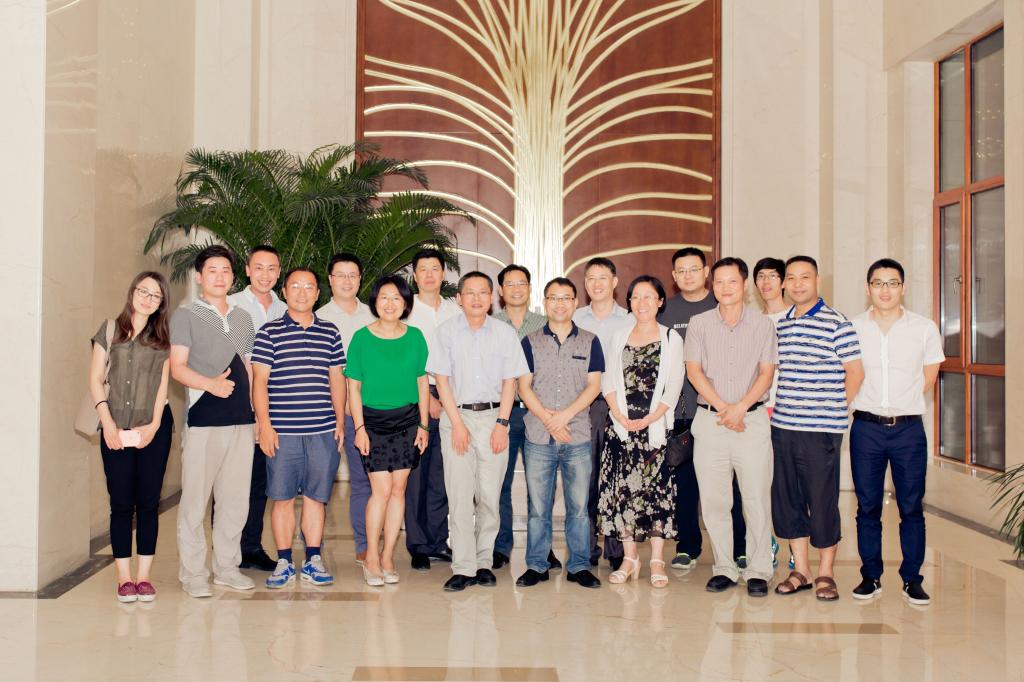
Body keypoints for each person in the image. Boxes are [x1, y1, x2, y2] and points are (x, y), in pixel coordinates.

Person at [427, 271, 530, 591]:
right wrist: (457, 424)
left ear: (491, 297)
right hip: (456, 417)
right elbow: (441, 381)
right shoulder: (445, 332)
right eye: (469, 292)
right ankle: (463, 566)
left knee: (489, 496)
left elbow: (511, 382)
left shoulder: (504, 333)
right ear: (459, 298)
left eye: (482, 292)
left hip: (493, 419)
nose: (476, 298)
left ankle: (484, 561)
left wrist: (502, 424)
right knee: (459, 495)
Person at [850, 258, 943, 605]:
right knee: (868, 506)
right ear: (868, 288)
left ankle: (912, 579)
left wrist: (901, 405)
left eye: (892, 283)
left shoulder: (924, 328)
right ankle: (870, 576)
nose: (885, 290)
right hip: (866, 429)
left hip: (908, 431)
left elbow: (929, 377)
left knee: (911, 506)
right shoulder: (853, 328)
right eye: (878, 283)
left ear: (903, 288)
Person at [772, 255, 864, 601]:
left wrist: (833, 410)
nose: (798, 284)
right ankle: (801, 569)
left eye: (805, 277)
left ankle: (826, 572)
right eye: (791, 278)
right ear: (784, 283)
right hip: (783, 425)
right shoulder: (781, 324)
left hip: (821, 430)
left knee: (822, 500)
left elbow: (855, 373)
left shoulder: (836, 323)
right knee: (788, 499)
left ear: (817, 281)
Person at [684, 258, 777, 597]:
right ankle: (724, 566)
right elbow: (694, 371)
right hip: (711, 421)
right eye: (719, 282)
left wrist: (740, 408)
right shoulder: (699, 323)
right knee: (714, 500)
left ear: (744, 285)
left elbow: (766, 372)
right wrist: (725, 409)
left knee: (755, 499)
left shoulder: (763, 325)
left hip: (751, 421)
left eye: (732, 281)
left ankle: (759, 569)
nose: (725, 288)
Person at [170, 245, 257, 598]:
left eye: (225, 270)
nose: (219, 277)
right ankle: (193, 573)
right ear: (199, 276)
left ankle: (226, 568)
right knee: (195, 501)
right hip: (204, 419)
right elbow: (177, 367)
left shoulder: (243, 317)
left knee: (234, 500)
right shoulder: (186, 316)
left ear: (233, 276)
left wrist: (255, 414)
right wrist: (211, 385)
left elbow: (249, 367)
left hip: (241, 421)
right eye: (212, 271)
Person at [252, 268, 346, 589]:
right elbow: (259, 382)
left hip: (322, 431)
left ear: (318, 294)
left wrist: (339, 421)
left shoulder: (330, 331)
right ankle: (283, 562)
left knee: (316, 498)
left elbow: (337, 379)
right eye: (295, 286)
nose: (302, 292)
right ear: (285, 291)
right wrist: (265, 426)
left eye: (309, 287)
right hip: (283, 432)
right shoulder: (269, 332)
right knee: (281, 498)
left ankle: (313, 560)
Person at [658, 247, 747, 571]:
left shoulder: (721, 303)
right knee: (684, 485)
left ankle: (739, 548)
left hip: (720, 411)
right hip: (680, 412)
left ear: (706, 272)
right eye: (681, 271)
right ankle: (688, 546)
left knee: (729, 485)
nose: (688, 276)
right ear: (673, 276)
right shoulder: (665, 310)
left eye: (694, 269)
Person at [88, 272, 174, 603]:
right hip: (115, 425)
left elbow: (163, 386)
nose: (148, 299)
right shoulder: (110, 330)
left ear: (161, 303)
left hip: (153, 428)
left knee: (149, 502)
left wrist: (154, 426)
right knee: (121, 503)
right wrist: (107, 424)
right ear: (132, 292)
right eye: (143, 291)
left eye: (156, 295)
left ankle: (144, 577)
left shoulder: (163, 338)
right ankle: (124, 578)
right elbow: (96, 379)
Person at [516, 278, 603, 589]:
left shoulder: (591, 341)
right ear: (545, 303)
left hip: (577, 435)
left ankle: (579, 565)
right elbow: (523, 386)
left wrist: (564, 416)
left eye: (566, 298)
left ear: (576, 302)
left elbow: (594, 386)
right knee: (538, 508)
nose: (560, 304)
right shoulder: (529, 341)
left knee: (578, 508)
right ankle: (536, 565)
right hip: (538, 435)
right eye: (554, 298)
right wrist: (548, 419)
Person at [598, 275, 685, 588]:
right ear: (629, 302)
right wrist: (619, 415)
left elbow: (674, 384)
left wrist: (650, 418)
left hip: (654, 429)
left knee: (656, 495)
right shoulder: (618, 336)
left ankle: (657, 560)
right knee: (623, 494)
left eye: (649, 296)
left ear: (660, 301)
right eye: (636, 297)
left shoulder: (671, 338)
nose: (642, 303)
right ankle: (630, 557)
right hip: (621, 428)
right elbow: (607, 380)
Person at [345, 275, 430, 586]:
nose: (390, 303)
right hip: (373, 423)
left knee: (398, 489)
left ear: (406, 303)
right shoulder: (361, 338)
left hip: (408, 421)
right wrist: (359, 428)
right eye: (384, 297)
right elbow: (353, 387)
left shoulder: (416, 337)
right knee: (380, 490)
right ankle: (370, 556)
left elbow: (422, 382)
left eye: (397, 298)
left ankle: (388, 555)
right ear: (375, 302)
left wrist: (423, 424)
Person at [228, 245, 288, 572]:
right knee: (231, 483)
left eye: (272, 268)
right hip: (236, 407)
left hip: (275, 408)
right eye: (259, 268)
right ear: (248, 270)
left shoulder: (285, 308)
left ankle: (251, 547)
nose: (265, 275)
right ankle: (228, 551)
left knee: (259, 484)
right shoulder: (231, 305)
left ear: (279, 272)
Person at [572, 257, 634, 569]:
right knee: (585, 478)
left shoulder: (630, 319)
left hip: (620, 406)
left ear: (614, 282)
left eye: (603, 278)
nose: (596, 284)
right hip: (584, 405)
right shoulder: (575, 317)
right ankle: (585, 547)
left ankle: (617, 549)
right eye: (591, 278)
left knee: (617, 478)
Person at [316, 253, 376, 565]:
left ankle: (365, 545)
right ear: (330, 279)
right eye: (340, 275)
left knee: (364, 481)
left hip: (363, 414)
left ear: (360, 279)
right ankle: (312, 548)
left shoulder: (374, 315)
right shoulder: (317, 317)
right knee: (317, 484)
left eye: (353, 275)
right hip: (323, 415)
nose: (347, 281)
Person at [405, 249, 460, 570]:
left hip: (452, 396)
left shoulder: (456, 310)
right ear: (415, 275)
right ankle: (418, 545)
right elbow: (403, 361)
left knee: (442, 474)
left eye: (434, 268)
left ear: (443, 274)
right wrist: (428, 399)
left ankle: (438, 541)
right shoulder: (405, 309)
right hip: (416, 396)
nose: (429, 274)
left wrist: (449, 399)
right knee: (416, 475)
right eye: (423, 269)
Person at [492, 264, 549, 570]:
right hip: (503, 414)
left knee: (539, 484)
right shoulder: (490, 325)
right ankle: (501, 546)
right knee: (499, 483)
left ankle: (543, 548)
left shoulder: (544, 323)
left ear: (530, 288)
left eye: (521, 283)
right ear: (501, 291)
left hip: (537, 413)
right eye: (510, 284)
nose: (516, 289)